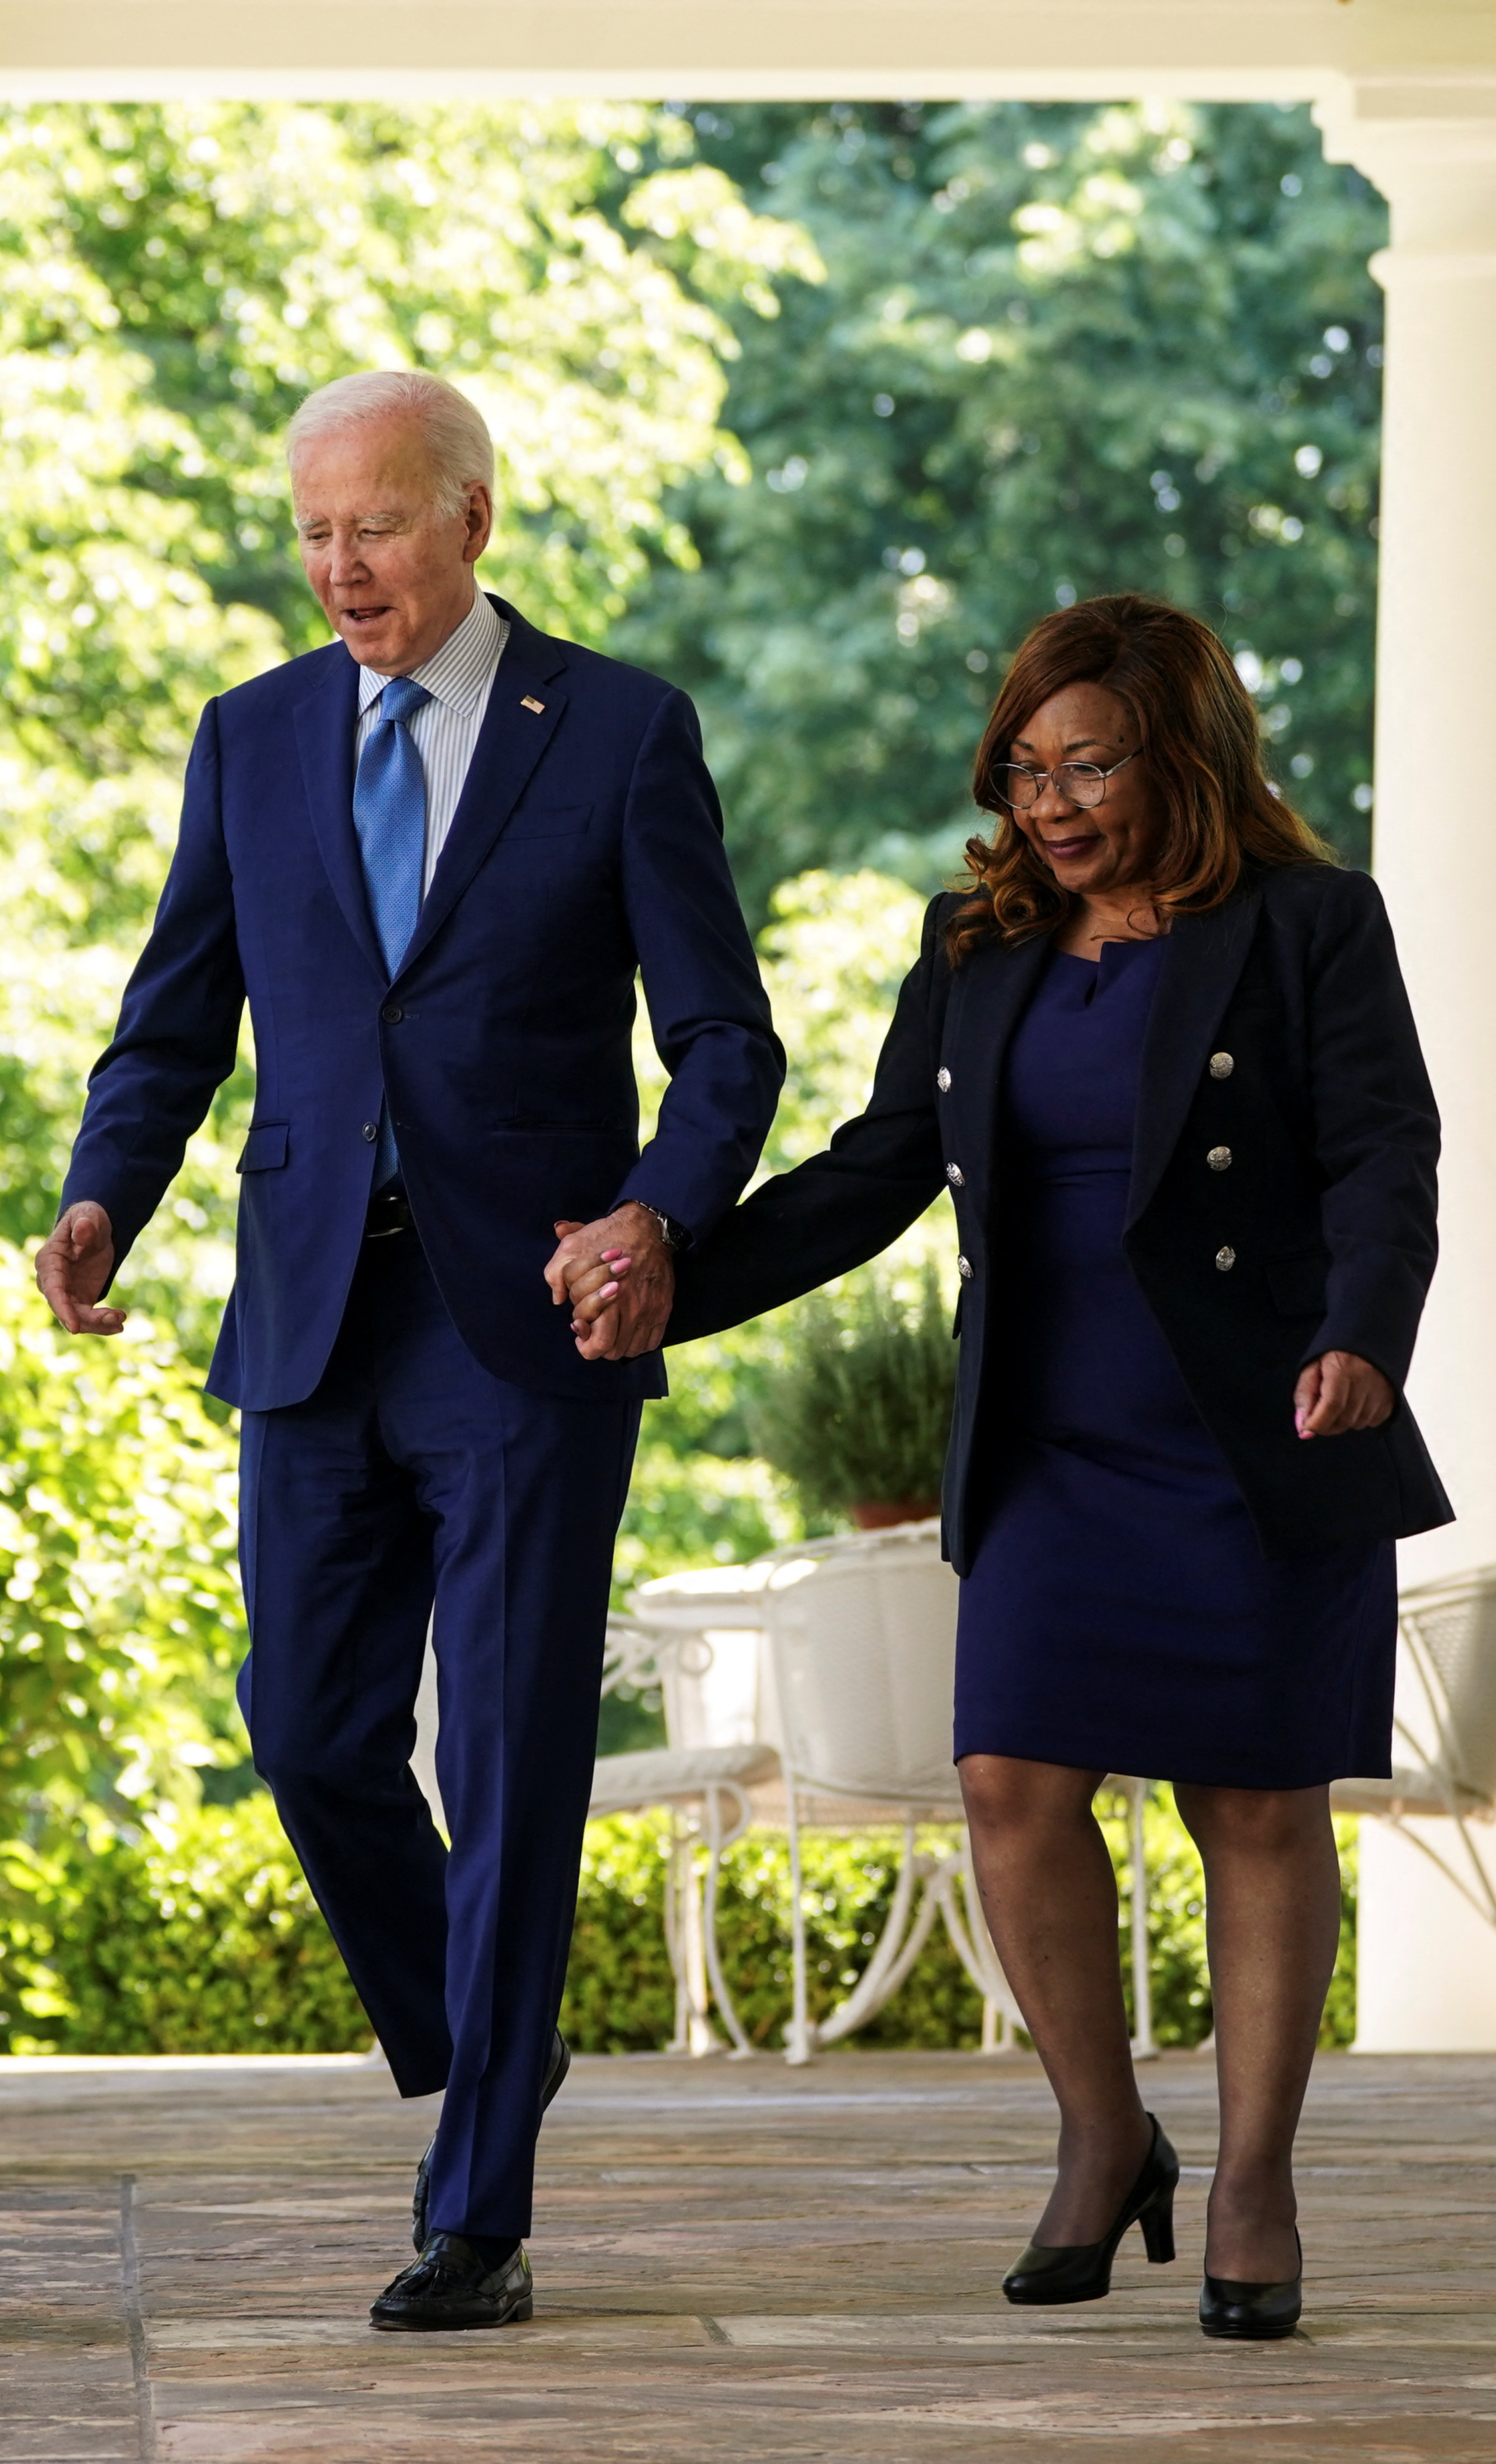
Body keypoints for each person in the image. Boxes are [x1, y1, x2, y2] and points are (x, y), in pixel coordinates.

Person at [611, 592, 1448, 2343]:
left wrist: (1365, 1332)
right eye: (1024, 765)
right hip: (1053, 1438)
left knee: (1256, 1807)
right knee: (1008, 1785)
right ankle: (1101, 2131)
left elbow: (1385, 1149)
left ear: (1186, 752)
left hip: (1260, 1424)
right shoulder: (975, 942)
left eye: (1087, 763)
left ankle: (1252, 2182)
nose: (1047, 801)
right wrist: (675, 1273)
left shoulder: (1309, 924)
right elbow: (876, 1170)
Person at [37, 370, 782, 2332]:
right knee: (303, 1734)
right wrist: (111, 1190)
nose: (336, 563)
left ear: (470, 518)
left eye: (371, 524)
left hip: (527, 1321)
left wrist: (657, 1214)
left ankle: (478, 2216)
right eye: (312, 530)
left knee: (518, 1756)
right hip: (311, 1317)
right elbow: (176, 1014)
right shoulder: (254, 737)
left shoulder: (617, 733)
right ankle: (485, 2032)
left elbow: (728, 1044)